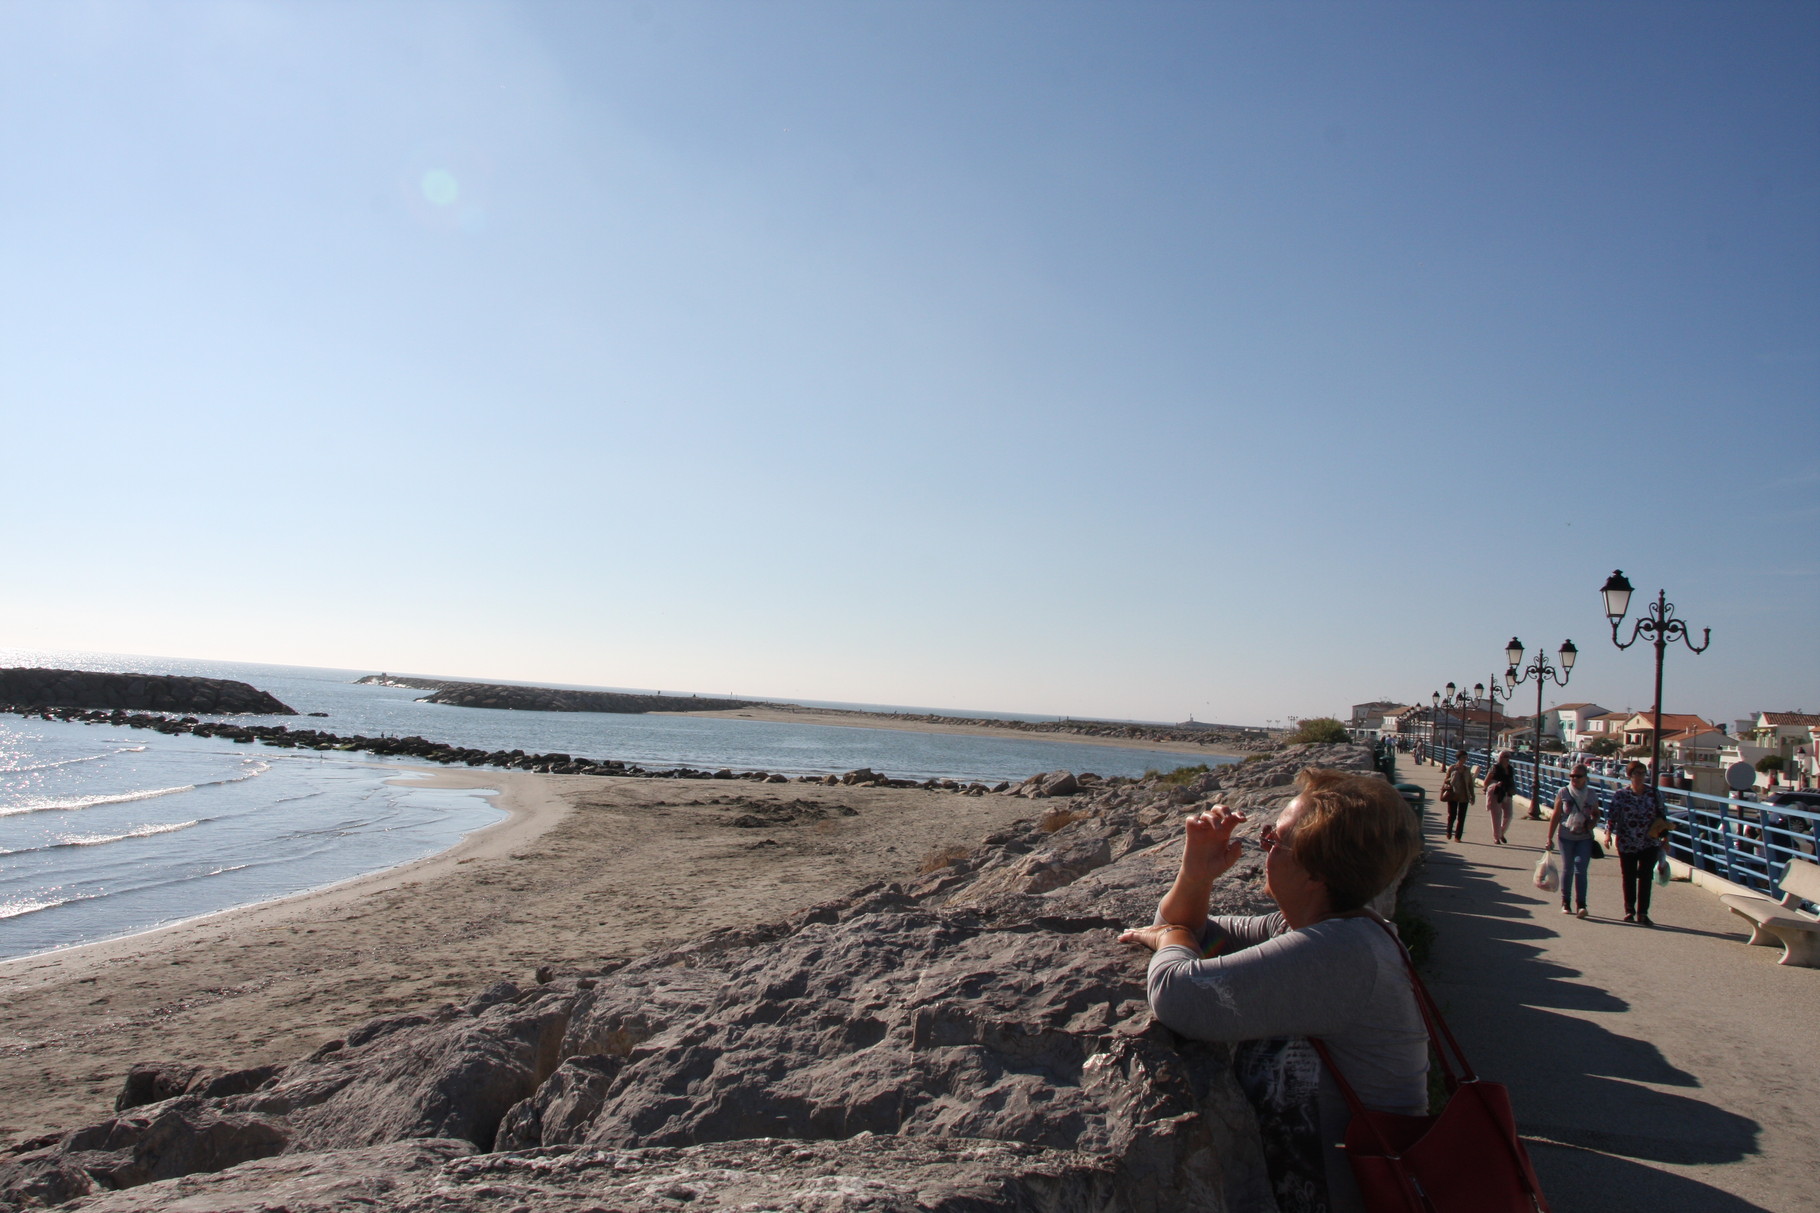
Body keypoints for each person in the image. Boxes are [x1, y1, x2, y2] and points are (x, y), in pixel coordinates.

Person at [1120, 769, 1426, 1213]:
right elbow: (1197, 929)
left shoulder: (1343, 955)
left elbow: (1179, 994)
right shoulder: (1312, 925)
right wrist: (1196, 872)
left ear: (1316, 872)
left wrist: (1170, 942)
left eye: (1275, 840)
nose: (1263, 847)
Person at [1605, 761, 1664, 925]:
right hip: (1627, 841)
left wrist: (1665, 838)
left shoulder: (1654, 794)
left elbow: (1662, 816)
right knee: (1629, 876)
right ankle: (1629, 910)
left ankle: (1643, 913)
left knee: (1646, 877)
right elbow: (1613, 816)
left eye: (1642, 773)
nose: (1640, 776)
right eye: (1636, 773)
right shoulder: (1621, 795)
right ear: (1629, 776)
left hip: (1649, 842)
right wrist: (1608, 833)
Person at [1546, 764, 1601, 917]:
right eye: (1572, 776)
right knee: (1568, 868)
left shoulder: (1591, 794)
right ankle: (1566, 902)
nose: (1574, 779)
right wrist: (1549, 838)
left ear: (1585, 778)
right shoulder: (1563, 792)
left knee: (1581, 869)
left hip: (1584, 837)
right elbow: (1556, 815)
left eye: (1578, 776)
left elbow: (1596, 813)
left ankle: (1581, 904)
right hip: (1566, 836)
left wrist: (1593, 821)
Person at [1440, 752, 1476, 841]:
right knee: (1452, 815)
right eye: (1464, 757)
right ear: (1459, 758)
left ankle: (1457, 837)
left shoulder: (1467, 770)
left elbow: (1470, 784)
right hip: (1453, 794)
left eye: (1466, 757)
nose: (1465, 759)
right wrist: (1452, 778)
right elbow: (1446, 781)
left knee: (1462, 817)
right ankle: (1449, 831)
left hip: (1464, 796)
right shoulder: (1452, 768)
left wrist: (1472, 796)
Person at [1485, 751, 1517, 844]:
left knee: (1509, 815)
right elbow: (1486, 782)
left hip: (1507, 792)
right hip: (1496, 792)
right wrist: (1495, 784)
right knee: (1496, 816)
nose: (1507, 758)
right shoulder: (1494, 768)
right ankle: (1496, 837)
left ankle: (1501, 833)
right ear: (1500, 757)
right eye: (1504, 756)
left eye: (1508, 757)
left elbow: (1511, 780)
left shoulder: (1510, 768)